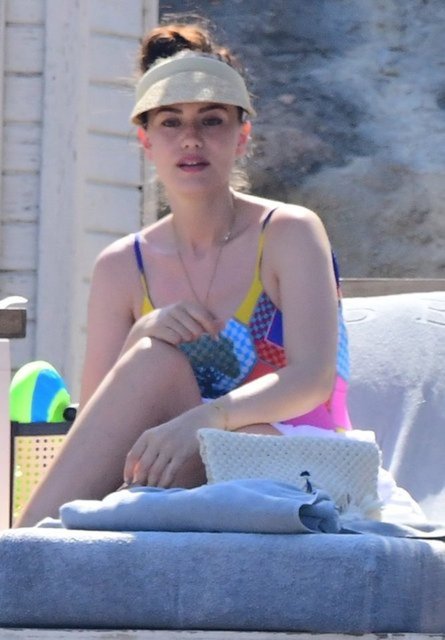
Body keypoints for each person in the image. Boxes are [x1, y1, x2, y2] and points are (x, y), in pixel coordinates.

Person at [16, 20, 351, 527]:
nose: (191, 139)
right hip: (171, 468)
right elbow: (98, 430)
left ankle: (24, 549)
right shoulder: (122, 265)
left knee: (157, 372)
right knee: (151, 356)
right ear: (145, 141)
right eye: (170, 122)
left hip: (295, 457)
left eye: (211, 121)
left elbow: (312, 380)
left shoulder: (289, 232)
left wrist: (205, 419)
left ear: (242, 137)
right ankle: (23, 551)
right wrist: (140, 335)